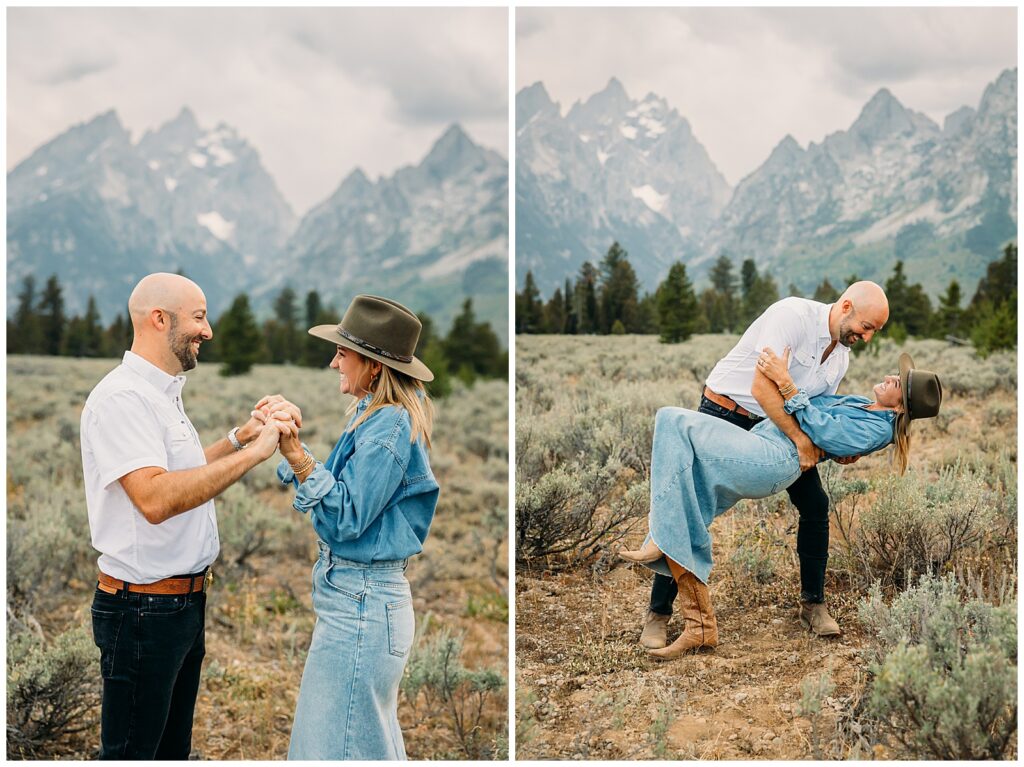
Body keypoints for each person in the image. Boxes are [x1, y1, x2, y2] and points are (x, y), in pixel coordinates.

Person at [81, 273, 295, 759]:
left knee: (171, 751)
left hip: (179, 607)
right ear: (160, 320)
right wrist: (256, 454)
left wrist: (240, 437)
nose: (209, 330)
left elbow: (182, 471)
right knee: (133, 754)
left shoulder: (160, 393)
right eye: (198, 317)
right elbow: (155, 499)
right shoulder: (123, 398)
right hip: (142, 612)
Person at [621, 351, 942, 659]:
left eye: (897, 382)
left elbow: (824, 429)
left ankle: (664, 544)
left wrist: (786, 384)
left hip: (775, 455)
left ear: (901, 408)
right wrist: (821, 427)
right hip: (764, 433)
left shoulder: (877, 424)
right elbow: (822, 421)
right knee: (690, 489)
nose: (889, 377)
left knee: (671, 420)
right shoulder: (864, 404)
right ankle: (684, 600)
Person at [638, 281, 890, 648]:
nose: (866, 337)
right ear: (846, 306)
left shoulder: (840, 359)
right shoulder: (792, 317)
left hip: (775, 431)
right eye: (866, 327)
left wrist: (835, 447)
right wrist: (802, 441)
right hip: (728, 411)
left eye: (874, 333)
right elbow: (762, 388)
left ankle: (812, 604)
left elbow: (814, 411)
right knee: (692, 503)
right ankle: (658, 613)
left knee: (815, 505)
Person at [267, 294, 440, 760]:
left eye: (343, 353)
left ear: (375, 367)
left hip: (361, 607)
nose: (332, 362)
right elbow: (351, 498)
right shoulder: (378, 417)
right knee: (359, 743)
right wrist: (295, 453)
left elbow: (345, 518)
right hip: (358, 602)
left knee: (333, 749)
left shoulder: (387, 427)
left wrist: (298, 458)